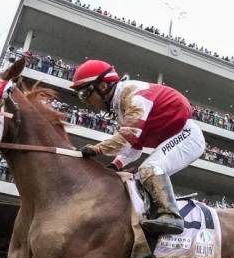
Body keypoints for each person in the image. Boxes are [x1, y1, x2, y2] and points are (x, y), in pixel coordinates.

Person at [70, 59, 206, 235]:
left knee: (149, 168)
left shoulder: (133, 95)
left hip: (187, 135)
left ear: (102, 86)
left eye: (85, 94)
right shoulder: (119, 105)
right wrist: (114, 166)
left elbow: (128, 136)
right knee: (138, 178)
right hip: (177, 135)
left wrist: (97, 149)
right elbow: (134, 147)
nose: (85, 101)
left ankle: (172, 217)